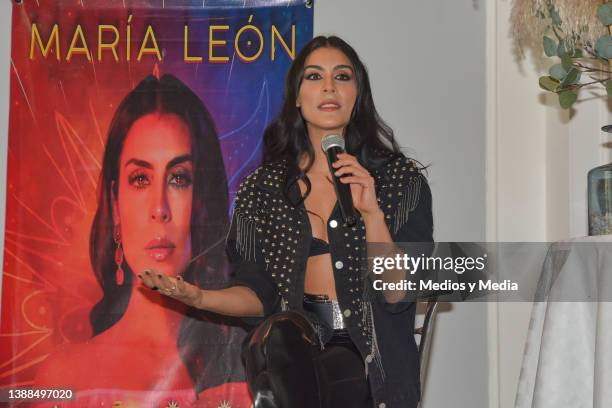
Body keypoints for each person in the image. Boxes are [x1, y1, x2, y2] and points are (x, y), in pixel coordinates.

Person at [139, 36, 434, 408]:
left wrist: (373, 214)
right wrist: (197, 296)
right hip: (293, 347)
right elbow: (257, 294)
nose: (329, 86)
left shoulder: (400, 182)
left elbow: (397, 293)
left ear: (358, 94)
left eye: (342, 76)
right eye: (314, 76)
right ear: (296, 96)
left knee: (300, 375)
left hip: (370, 360)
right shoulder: (262, 189)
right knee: (279, 340)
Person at [35, 74, 251, 406]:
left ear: (203, 201)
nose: (160, 208)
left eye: (179, 178)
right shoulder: (62, 377)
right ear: (115, 204)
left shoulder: (244, 367)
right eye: (140, 179)